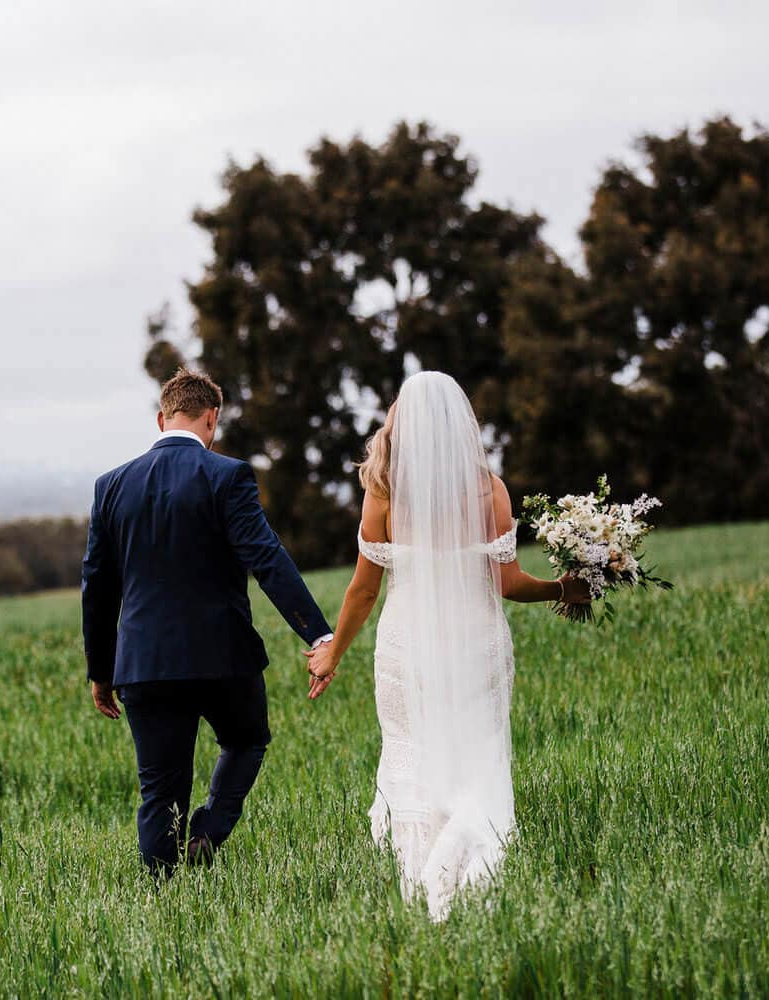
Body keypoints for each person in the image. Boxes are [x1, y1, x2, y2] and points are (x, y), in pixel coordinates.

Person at [304, 371, 590, 919]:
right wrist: (563, 587)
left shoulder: (383, 492)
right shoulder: (489, 490)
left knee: (411, 751)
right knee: (476, 752)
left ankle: (420, 873)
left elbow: (364, 589)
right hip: (476, 645)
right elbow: (508, 584)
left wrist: (332, 653)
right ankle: (471, 859)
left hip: (406, 649)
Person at [81, 368, 334, 875]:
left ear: (162, 419)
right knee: (246, 741)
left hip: (145, 665)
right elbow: (267, 559)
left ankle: (163, 897)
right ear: (212, 419)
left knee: (160, 791)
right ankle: (207, 833)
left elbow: (97, 586)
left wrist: (101, 671)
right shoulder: (227, 476)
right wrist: (319, 633)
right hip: (224, 658)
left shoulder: (110, 486)